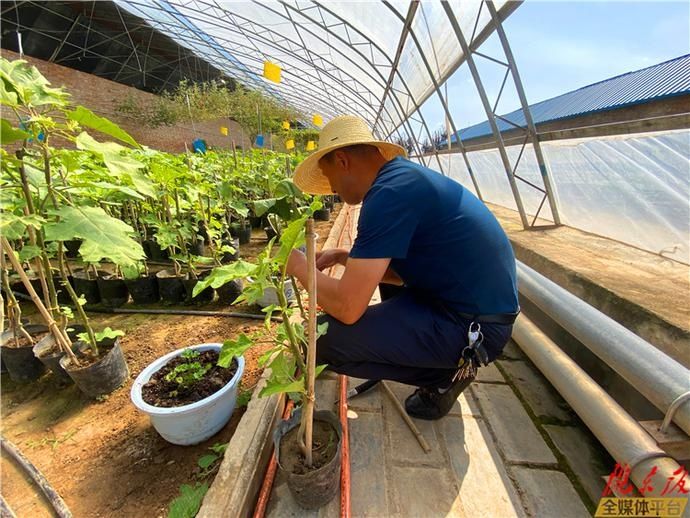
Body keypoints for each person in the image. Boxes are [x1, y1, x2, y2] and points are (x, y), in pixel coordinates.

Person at [286, 115, 519, 420]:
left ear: (342, 161)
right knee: (378, 274)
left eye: (329, 180)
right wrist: (345, 256)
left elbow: (347, 307)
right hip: (464, 305)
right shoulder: (400, 178)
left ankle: (446, 376)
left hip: (475, 328)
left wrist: (299, 266)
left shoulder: (388, 195)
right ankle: (434, 359)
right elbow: (401, 272)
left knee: (321, 339)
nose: (332, 190)